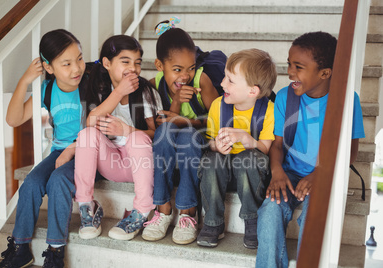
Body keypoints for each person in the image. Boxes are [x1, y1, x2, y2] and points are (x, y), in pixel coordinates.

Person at [255, 31, 365, 268]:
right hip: (290, 172)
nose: (290, 72)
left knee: (314, 217)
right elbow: (277, 144)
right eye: (289, 64)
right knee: (270, 211)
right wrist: (277, 171)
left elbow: (351, 151)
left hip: (327, 172)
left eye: (299, 67)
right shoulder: (286, 97)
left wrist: (320, 174)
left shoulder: (347, 100)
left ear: (325, 73)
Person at [0, 29, 87, 268]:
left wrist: (75, 148)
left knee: (58, 181)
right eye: (66, 63)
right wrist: (25, 80)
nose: (76, 68)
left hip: (90, 150)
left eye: (79, 58)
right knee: (32, 183)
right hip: (59, 151)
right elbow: (14, 119)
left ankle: (56, 250)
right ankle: (21, 247)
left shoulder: (90, 84)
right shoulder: (47, 89)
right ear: (49, 67)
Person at [74, 35, 162, 241]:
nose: (133, 68)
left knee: (137, 139)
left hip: (139, 164)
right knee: (86, 135)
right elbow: (91, 123)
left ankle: (140, 211)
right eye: (125, 61)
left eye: (137, 63)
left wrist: (127, 130)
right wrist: (119, 92)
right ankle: (87, 206)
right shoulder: (99, 89)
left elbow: (156, 134)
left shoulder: (146, 92)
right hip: (111, 163)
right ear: (107, 63)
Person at [141, 17, 220, 245]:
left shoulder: (201, 80)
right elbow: (160, 125)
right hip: (169, 142)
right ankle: (163, 208)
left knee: (187, 135)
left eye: (191, 67)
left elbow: (218, 121)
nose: (185, 76)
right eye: (177, 69)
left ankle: (188, 212)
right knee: (164, 133)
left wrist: (185, 121)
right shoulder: (153, 85)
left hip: (199, 140)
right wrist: (175, 102)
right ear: (159, 66)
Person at [196, 49, 277, 249]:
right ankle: (213, 222)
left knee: (249, 158)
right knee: (210, 160)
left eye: (230, 80)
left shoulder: (268, 110)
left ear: (253, 91)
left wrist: (247, 139)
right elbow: (210, 141)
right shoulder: (218, 105)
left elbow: (265, 149)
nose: (222, 83)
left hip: (250, 175)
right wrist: (217, 146)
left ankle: (252, 219)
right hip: (222, 172)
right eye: (225, 76)